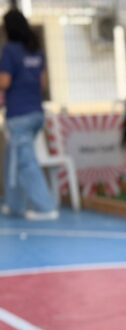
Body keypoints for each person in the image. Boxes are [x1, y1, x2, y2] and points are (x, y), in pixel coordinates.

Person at [0, 8, 58, 220]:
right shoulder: (36, 50)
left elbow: (4, 82)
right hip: (36, 112)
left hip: (19, 113)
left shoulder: (10, 50)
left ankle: (46, 207)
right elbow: (42, 83)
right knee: (13, 157)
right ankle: (14, 205)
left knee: (24, 161)